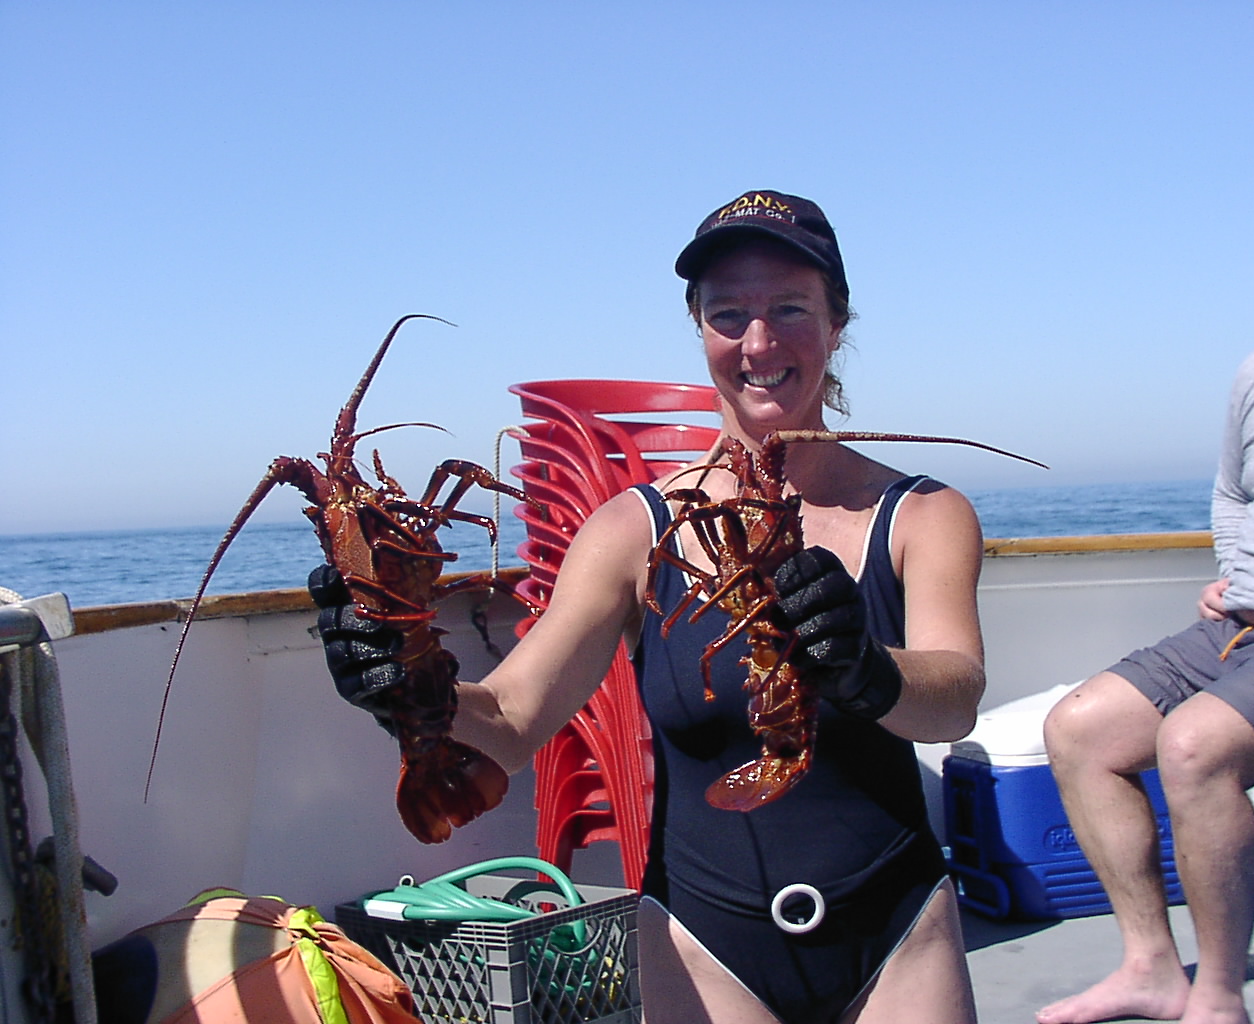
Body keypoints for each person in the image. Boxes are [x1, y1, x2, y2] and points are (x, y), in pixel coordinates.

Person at [315, 189, 987, 1023]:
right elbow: (514, 719)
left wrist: (866, 668)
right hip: (706, 946)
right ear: (698, 327)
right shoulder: (634, 530)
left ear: (837, 322)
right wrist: (402, 680)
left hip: (898, 932)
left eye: (789, 308)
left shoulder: (923, 514)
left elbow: (955, 698)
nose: (759, 342)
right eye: (728, 313)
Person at [1037, 168, 1254, 1024]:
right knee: (1078, 730)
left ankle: (1218, 996)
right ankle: (1149, 964)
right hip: (1239, 625)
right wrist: (1233, 567)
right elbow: (1234, 491)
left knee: (1191, 746)